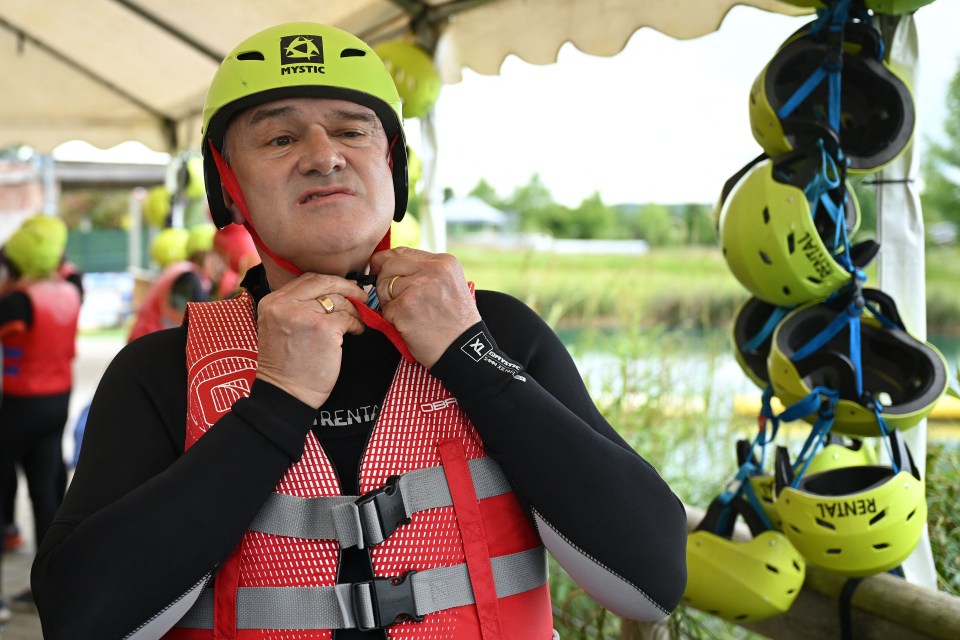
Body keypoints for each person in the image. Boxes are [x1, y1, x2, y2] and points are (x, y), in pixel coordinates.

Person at [31, 22, 687, 639]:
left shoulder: (498, 332)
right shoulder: (162, 373)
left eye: (352, 130)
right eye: (279, 139)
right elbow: (79, 617)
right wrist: (275, 407)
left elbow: (651, 580)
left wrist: (468, 356)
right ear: (227, 186)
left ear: (393, 166)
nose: (324, 157)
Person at [0, 215, 81, 617]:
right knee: (45, 492)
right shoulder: (68, 291)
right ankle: (50, 586)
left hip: (18, 404)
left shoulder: (17, 299)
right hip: (56, 401)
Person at [127, 224, 216, 342]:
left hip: (145, 339)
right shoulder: (188, 277)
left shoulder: (179, 271)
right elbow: (202, 324)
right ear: (203, 254)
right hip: (151, 342)